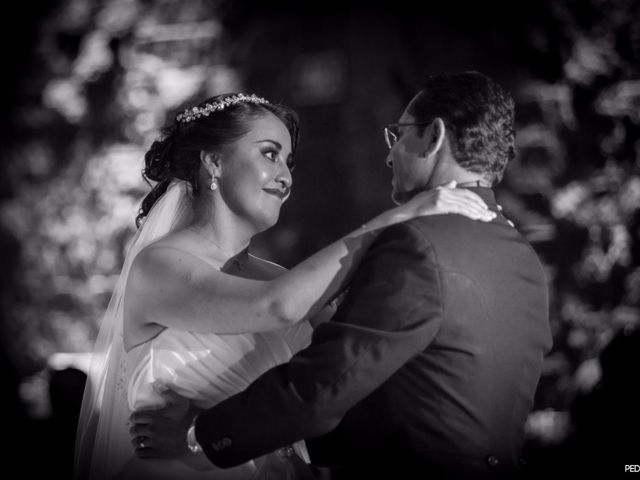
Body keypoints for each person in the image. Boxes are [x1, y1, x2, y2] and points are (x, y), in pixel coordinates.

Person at [130, 72, 553, 479]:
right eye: (270, 153)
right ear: (213, 162)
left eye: (399, 134)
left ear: (435, 136)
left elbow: (330, 380)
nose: (389, 153)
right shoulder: (521, 256)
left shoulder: (417, 243)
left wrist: (196, 437)